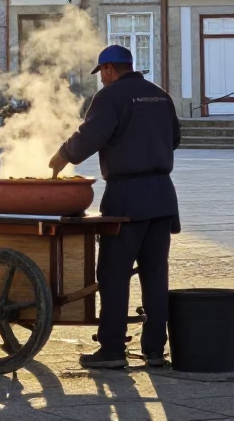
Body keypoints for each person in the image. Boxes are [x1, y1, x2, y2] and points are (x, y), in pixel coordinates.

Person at [48, 44, 181, 369]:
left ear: (108, 69)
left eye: (102, 74)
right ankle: (154, 351)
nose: (102, 81)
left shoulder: (110, 97)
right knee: (155, 274)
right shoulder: (160, 95)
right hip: (162, 195)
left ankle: (111, 350)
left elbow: (91, 135)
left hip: (127, 196)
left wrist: (63, 155)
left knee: (113, 273)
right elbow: (175, 138)